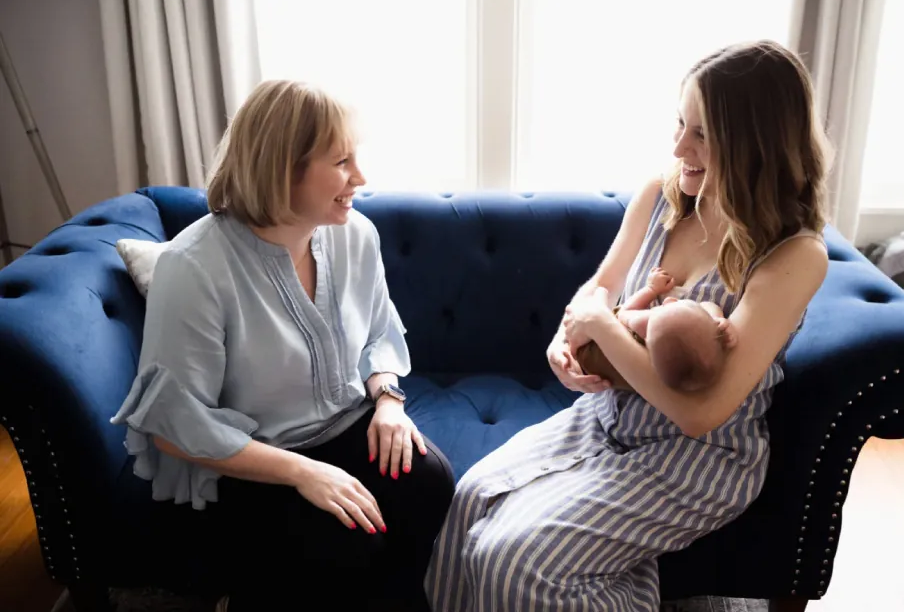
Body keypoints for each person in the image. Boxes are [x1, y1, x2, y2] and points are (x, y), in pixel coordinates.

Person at [424, 39, 831, 611]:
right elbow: (599, 290)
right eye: (679, 123)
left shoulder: (793, 255)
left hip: (697, 458)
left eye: (702, 134)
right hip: (604, 418)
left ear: (753, 142)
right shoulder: (663, 196)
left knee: (512, 559)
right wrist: (562, 345)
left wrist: (603, 326)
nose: (678, 146)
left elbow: (700, 412)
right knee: (471, 496)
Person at [110, 80, 455, 612]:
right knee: (348, 542)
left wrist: (388, 401)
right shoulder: (195, 267)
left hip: (344, 423)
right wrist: (303, 472)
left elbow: (379, 333)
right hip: (253, 461)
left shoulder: (355, 234)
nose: (359, 178)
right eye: (341, 162)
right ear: (282, 169)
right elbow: (174, 430)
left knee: (429, 480)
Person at [574, 266, 738, 392]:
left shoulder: (641, 324)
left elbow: (624, 312)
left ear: (646, 336)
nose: (670, 300)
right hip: (601, 369)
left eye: (659, 311)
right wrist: (718, 319)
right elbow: (708, 305)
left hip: (593, 351)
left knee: (601, 294)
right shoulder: (671, 366)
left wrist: (652, 289)